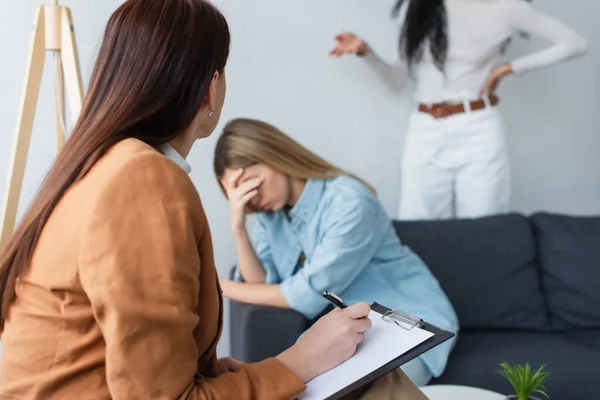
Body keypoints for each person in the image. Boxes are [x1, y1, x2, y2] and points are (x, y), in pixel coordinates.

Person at [0, 1, 429, 399]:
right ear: (211, 88)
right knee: (381, 384)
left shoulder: (99, 168)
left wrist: (224, 372)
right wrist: (297, 361)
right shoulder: (141, 178)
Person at [214, 118, 459, 387]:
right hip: (352, 327)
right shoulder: (270, 215)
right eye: (241, 193)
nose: (253, 197)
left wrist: (219, 286)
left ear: (274, 156)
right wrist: (238, 225)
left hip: (409, 322)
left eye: (251, 182)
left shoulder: (349, 201)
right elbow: (260, 284)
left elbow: (306, 295)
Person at [330, 0, 588, 220]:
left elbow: (575, 43)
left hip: (478, 129)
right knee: (421, 232)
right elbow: (397, 81)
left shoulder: (507, 7)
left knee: (485, 232)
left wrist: (509, 68)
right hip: (425, 131)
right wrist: (366, 53)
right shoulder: (420, 7)